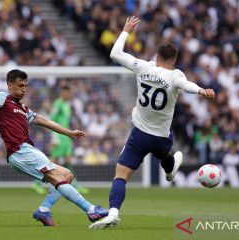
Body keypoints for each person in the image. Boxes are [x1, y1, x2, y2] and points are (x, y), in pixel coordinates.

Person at [89, 17, 215, 229]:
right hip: (162, 138)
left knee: (121, 175)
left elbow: (115, 54)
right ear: (174, 60)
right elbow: (186, 85)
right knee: (165, 154)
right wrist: (202, 90)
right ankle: (170, 168)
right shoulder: (175, 75)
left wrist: (125, 31)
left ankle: (113, 213)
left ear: (157, 57)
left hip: (139, 135)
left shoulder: (143, 67)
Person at [0, 69, 108, 227]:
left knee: (67, 175)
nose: (24, 89)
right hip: (19, 151)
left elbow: (45, 121)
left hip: (26, 150)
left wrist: (69, 132)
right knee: (57, 177)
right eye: (20, 85)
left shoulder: (24, 108)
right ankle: (91, 210)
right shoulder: (1, 98)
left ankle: (43, 211)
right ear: (10, 85)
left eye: (26, 86)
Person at [31, 85, 89, 194]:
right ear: (63, 93)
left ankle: (75, 184)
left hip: (66, 137)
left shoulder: (67, 105)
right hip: (59, 137)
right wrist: (54, 136)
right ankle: (36, 182)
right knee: (53, 160)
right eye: (68, 92)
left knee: (67, 160)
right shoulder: (58, 104)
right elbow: (51, 119)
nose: (70, 94)